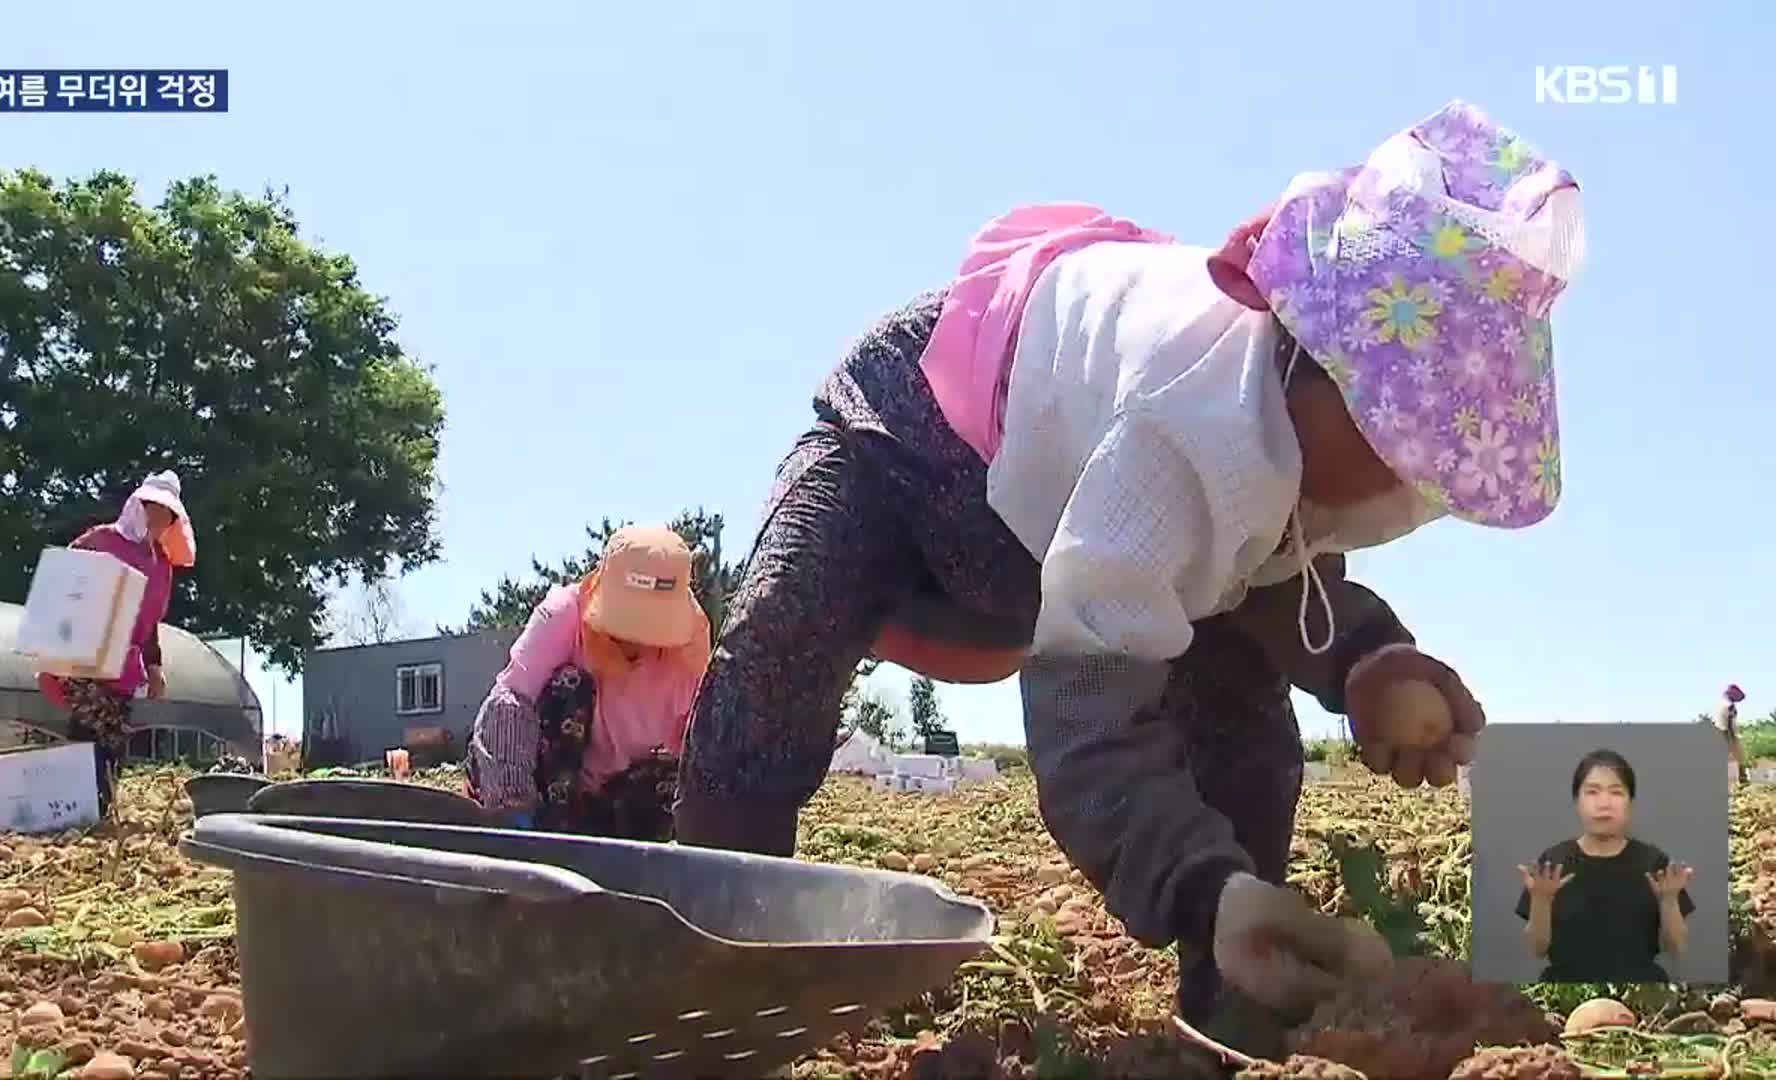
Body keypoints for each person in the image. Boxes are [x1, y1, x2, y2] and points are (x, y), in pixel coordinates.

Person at [674, 99, 1583, 1031]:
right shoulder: (1189, 428)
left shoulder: (1289, 445)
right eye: (1400, 437)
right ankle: (708, 955)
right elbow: (1087, 709)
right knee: (781, 639)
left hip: (1060, 521)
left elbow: (1268, 573)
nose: (1409, 477)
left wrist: (1369, 662)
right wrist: (1197, 885)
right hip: (911, 442)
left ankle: (1240, 1001)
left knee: (1237, 705)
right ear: (1314, 357)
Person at [465, 524, 710, 840]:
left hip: (611, 798)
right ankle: (543, 831)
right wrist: (514, 813)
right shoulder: (565, 614)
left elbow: (697, 747)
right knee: (569, 687)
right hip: (543, 790)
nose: (636, 640)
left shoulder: (690, 647)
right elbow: (509, 703)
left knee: (664, 779)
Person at [38, 471, 196, 819]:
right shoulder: (102, 540)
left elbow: (149, 621)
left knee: (112, 735)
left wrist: (154, 667)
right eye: (151, 508)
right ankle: (78, 808)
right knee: (93, 726)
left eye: (165, 514)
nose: (157, 518)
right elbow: (67, 579)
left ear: (172, 520)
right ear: (137, 506)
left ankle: (95, 809)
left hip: (123, 664)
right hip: (83, 651)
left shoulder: (161, 565)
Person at [1516, 749, 1694, 982]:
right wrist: (1541, 900)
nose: (1604, 803)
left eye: (1616, 792)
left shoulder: (1654, 863)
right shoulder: (1553, 863)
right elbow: (1535, 950)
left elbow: (1677, 948)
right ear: (1576, 801)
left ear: (1630, 803)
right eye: (1592, 792)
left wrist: (1669, 901)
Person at [1717, 683, 1747, 787]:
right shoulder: (1730, 706)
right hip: (1727, 733)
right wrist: (1732, 737)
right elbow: (1729, 722)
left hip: (1720, 731)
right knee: (1739, 756)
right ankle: (1742, 779)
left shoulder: (1721, 704)